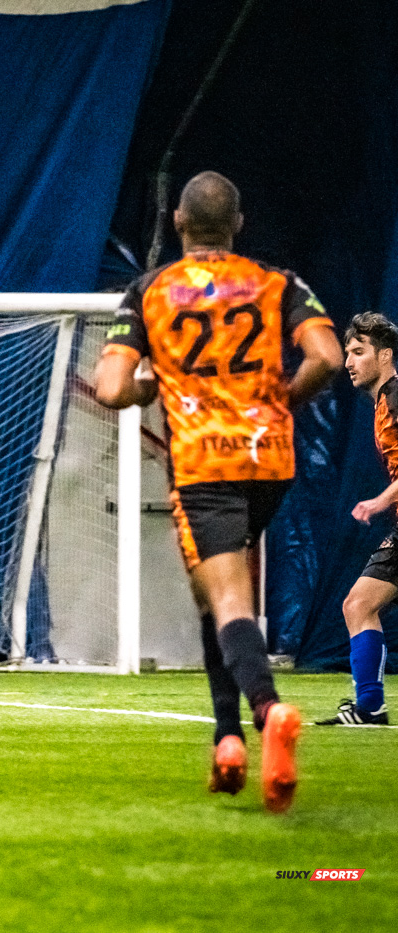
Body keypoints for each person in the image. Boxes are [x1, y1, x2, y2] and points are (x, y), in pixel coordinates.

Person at [94, 171, 342, 812]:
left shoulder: (151, 290)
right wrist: (284, 399)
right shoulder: (277, 283)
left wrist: (153, 387)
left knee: (225, 596)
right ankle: (225, 742)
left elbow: (112, 389)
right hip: (271, 460)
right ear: (237, 225)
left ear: (178, 221)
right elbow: (329, 357)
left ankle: (267, 714)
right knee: (215, 593)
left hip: (204, 461)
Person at [316, 312, 396, 726]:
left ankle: (369, 707)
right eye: (347, 352)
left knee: (358, 604)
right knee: (359, 604)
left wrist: (381, 500)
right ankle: (369, 707)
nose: (348, 361)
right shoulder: (384, 401)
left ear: (385, 356)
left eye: (358, 352)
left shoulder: (396, 396)